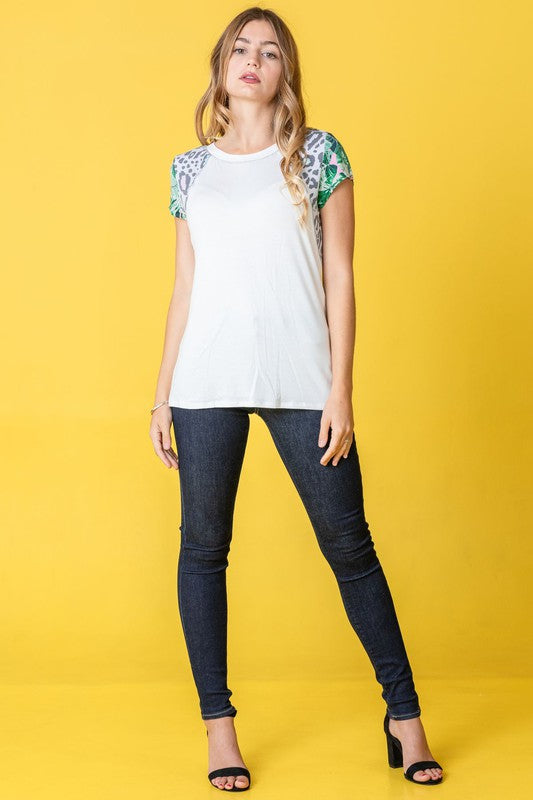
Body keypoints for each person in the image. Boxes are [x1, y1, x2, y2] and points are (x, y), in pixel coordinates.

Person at [150, 6, 444, 792]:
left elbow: (340, 276)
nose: (252, 60)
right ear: (220, 67)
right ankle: (220, 731)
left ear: (286, 73)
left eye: (268, 51)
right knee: (203, 551)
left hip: (301, 379)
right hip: (203, 383)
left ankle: (404, 716)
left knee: (349, 549)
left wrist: (340, 388)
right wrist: (159, 394)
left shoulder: (316, 155)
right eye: (239, 49)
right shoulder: (189, 170)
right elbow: (186, 288)